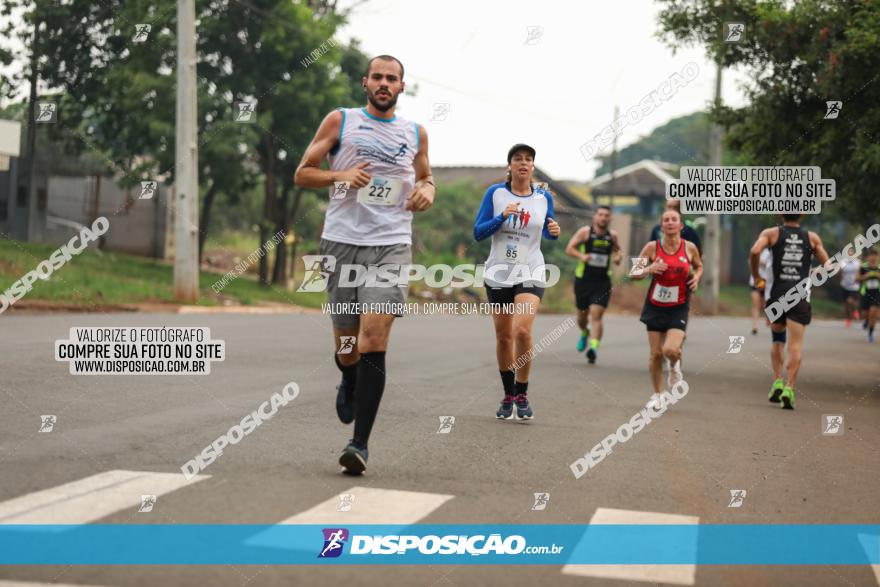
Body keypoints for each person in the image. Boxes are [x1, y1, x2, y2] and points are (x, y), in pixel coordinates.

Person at [294, 54, 435, 474]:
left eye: (392, 78)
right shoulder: (340, 121)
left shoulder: (415, 133)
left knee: (374, 337)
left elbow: (426, 176)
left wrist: (429, 191)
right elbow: (303, 172)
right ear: (365, 82)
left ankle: (359, 444)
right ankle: (349, 377)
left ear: (402, 87)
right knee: (348, 346)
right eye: (378, 77)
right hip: (341, 242)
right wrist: (341, 176)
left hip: (391, 243)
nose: (384, 84)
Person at [473, 143, 560, 420]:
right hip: (499, 272)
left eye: (528, 159)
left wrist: (554, 231)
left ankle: (522, 393)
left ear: (532, 166)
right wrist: (501, 218)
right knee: (503, 337)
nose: (523, 163)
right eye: (518, 159)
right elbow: (478, 232)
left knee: (521, 331)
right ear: (509, 166)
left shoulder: (544, 197)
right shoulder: (495, 193)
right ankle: (508, 394)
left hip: (530, 269)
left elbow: (548, 232)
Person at [749, 214, 830, 410]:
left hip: (776, 295)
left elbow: (754, 251)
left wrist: (757, 276)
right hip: (799, 297)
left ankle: (777, 380)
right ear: (802, 214)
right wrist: (814, 274)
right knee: (795, 346)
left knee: (777, 339)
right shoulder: (811, 238)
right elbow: (828, 266)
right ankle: (789, 389)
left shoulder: (771, 234)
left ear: (780, 214)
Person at [631, 207, 702, 409]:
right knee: (655, 353)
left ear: (680, 225)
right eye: (666, 220)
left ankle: (674, 364)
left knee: (670, 349)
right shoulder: (652, 247)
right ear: (661, 225)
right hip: (654, 305)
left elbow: (699, 265)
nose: (670, 222)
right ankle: (657, 394)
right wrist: (648, 269)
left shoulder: (689, 248)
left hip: (679, 305)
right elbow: (633, 273)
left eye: (674, 219)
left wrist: (696, 278)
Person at [565, 205, 621, 363]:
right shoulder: (585, 232)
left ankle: (593, 348)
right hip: (583, 280)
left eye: (606, 215)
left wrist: (618, 258)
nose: (603, 218)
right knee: (582, 316)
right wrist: (582, 256)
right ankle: (584, 332)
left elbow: (618, 251)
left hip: (602, 282)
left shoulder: (612, 235)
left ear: (610, 218)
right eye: (600, 214)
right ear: (595, 217)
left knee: (597, 315)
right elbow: (569, 248)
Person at [856, 248, 880, 342]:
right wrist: (865, 276)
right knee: (865, 314)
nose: (873, 258)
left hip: (877, 293)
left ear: (877, 257)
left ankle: (870, 333)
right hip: (865, 293)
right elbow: (857, 279)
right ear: (868, 257)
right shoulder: (863, 267)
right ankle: (866, 320)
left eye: (875, 256)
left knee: (873, 312)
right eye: (871, 256)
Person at [749, 247, 773, 335]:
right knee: (755, 304)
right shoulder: (755, 250)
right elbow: (750, 261)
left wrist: (759, 262)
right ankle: (754, 326)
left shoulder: (769, 252)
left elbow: (769, 264)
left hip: (765, 281)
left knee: (765, 305)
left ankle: (769, 318)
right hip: (756, 280)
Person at [839, 246, 861, 327]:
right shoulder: (843, 262)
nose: (850, 254)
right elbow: (840, 272)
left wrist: (858, 278)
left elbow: (859, 272)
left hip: (854, 285)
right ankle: (848, 319)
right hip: (845, 285)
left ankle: (855, 310)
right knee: (846, 304)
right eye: (849, 253)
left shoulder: (857, 262)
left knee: (850, 301)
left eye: (852, 253)